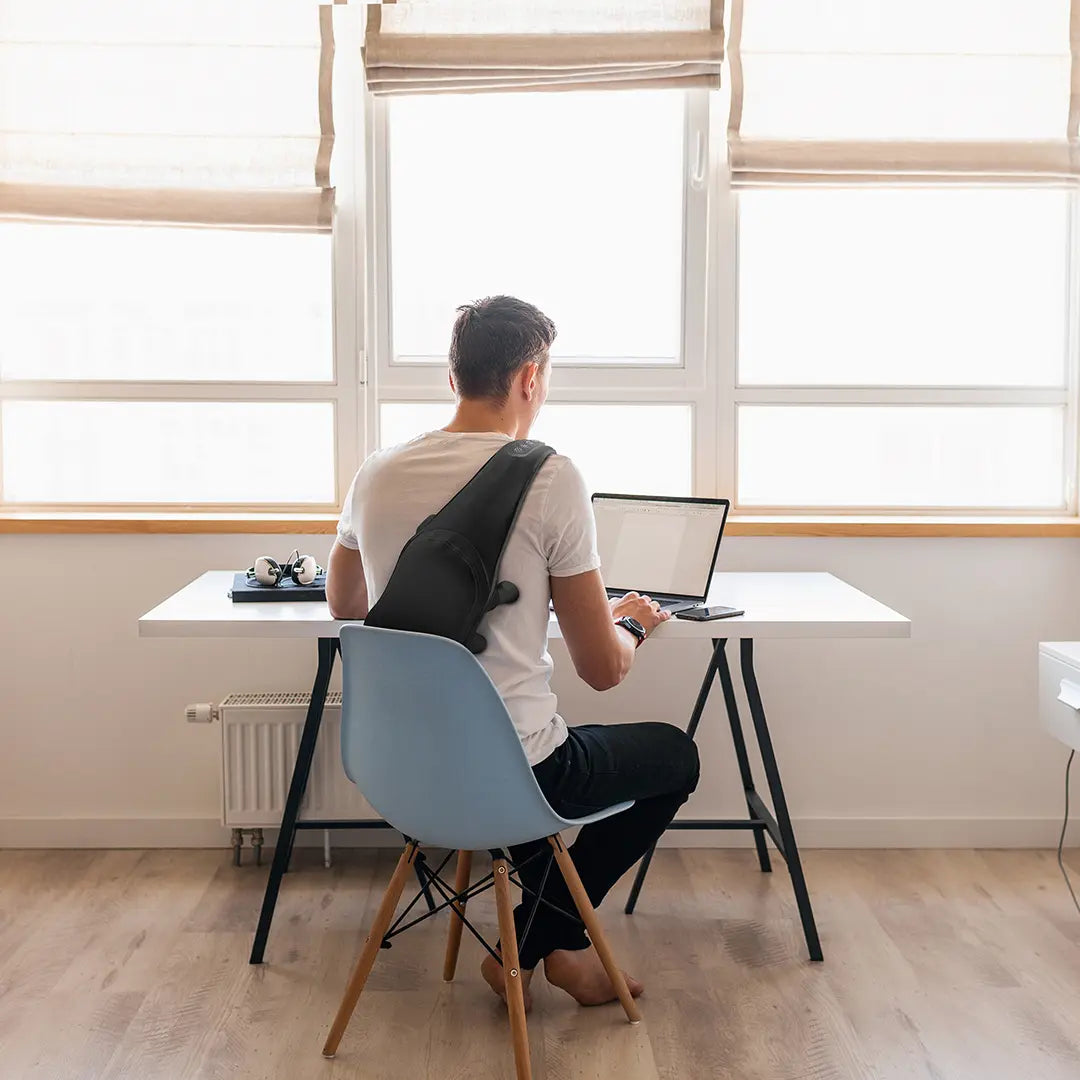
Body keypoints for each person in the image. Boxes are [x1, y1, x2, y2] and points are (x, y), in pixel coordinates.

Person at [326, 295, 700, 1010]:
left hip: (399, 769)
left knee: (515, 770)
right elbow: (602, 670)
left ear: (453, 377)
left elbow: (345, 606)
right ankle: (531, 947)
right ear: (530, 378)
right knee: (673, 756)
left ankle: (553, 948)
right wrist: (634, 625)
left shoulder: (375, 471)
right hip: (515, 771)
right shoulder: (552, 477)